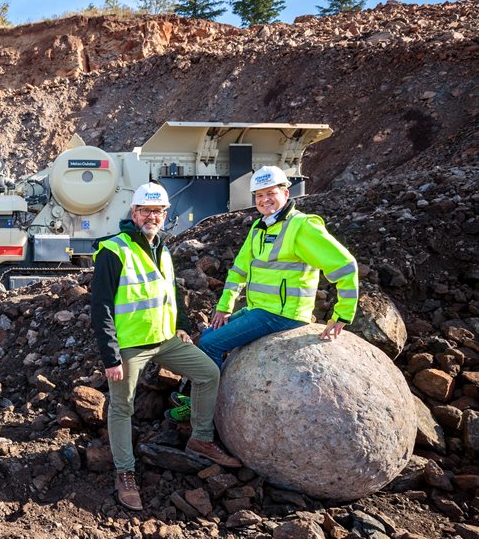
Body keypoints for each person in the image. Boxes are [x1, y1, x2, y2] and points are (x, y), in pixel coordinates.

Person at [91, 182, 241, 512]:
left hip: (164, 340)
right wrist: (110, 355)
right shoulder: (114, 251)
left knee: (208, 373)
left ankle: (200, 438)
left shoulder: (163, 249)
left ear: (164, 215)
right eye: (145, 211)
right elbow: (100, 306)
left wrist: (183, 328)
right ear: (133, 213)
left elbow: (172, 295)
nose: (151, 217)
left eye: (157, 211)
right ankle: (125, 473)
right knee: (122, 407)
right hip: (129, 346)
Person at [196, 165, 359, 371]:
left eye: (271, 193)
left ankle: (206, 402)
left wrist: (342, 316)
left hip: (283, 315)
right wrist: (224, 307)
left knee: (210, 344)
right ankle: (198, 391)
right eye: (259, 195)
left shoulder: (302, 226)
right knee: (208, 335)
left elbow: (345, 265)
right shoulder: (259, 228)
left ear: (286, 193)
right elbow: (239, 270)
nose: (265, 199)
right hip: (260, 310)